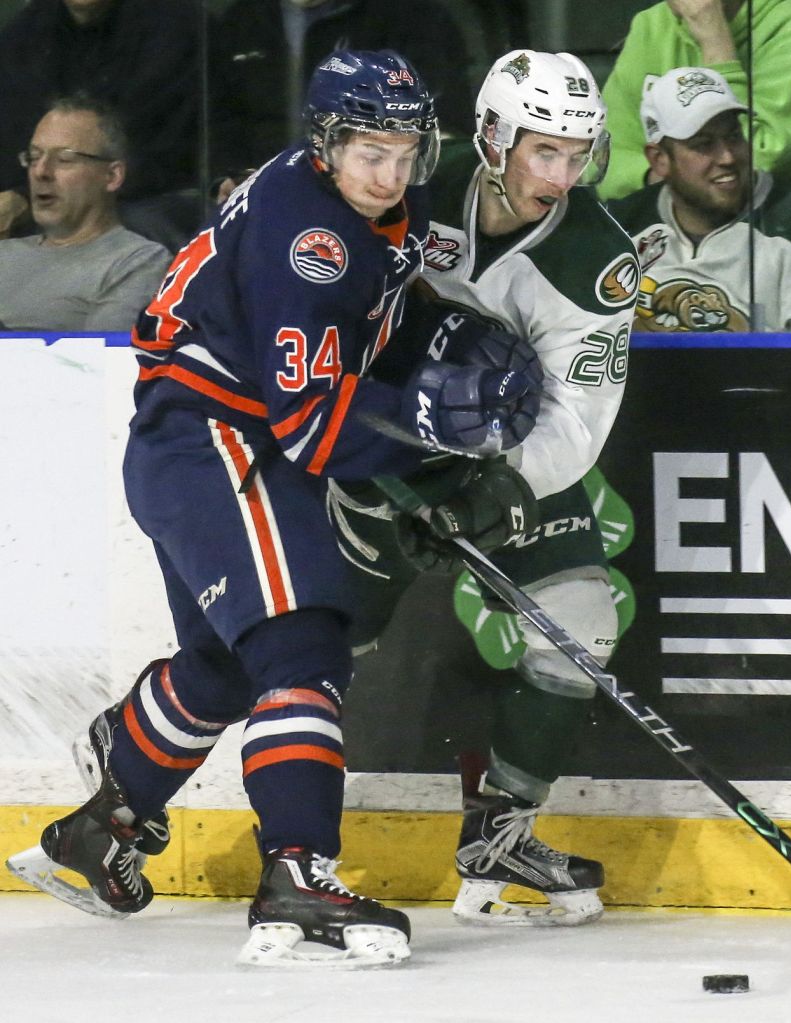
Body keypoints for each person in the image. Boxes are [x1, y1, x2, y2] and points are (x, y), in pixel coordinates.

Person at [6, 50, 540, 968]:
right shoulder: (313, 244)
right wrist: (443, 460)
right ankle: (298, 870)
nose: (392, 173)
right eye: (371, 152)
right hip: (219, 441)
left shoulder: (349, 202)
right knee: (302, 642)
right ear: (326, 145)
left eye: (407, 151)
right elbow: (313, 430)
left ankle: (102, 823)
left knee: (225, 664)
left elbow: (369, 326)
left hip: (199, 439)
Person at [325, 49, 640, 926]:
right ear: (495, 138)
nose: (564, 175)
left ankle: (500, 832)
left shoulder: (596, 258)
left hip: (506, 458)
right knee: (319, 641)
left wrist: (496, 491)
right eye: (546, 152)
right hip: (384, 443)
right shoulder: (414, 183)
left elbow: (578, 416)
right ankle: (162, 796)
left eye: (579, 155)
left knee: (581, 625)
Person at [0, 0, 243, 251]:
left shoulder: (177, 27)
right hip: (55, 198)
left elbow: (156, 152)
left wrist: (28, 195)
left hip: (157, 195)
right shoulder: (22, 37)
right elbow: (12, 141)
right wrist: (16, 196)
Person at [606, 67, 791, 332]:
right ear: (660, 160)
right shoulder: (620, 229)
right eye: (703, 144)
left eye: (733, 136)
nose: (727, 157)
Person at [216, 0, 477, 170]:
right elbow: (220, 122)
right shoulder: (242, 21)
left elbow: (444, 129)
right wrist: (227, 178)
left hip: (375, 202)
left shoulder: (414, 17)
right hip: (265, 200)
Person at [598, 0, 791, 200]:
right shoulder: (651, 25)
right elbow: (600, 159)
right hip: (666, 221)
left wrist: (717, 47)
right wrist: (661, 178)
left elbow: (757, 160)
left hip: (779, 225)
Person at [0, 93, 170, 331]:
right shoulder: (4, 253)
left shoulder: (136, 262)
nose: (40, 171)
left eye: (64, 159)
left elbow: (97, 364)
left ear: (112, 176)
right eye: (34, 157)